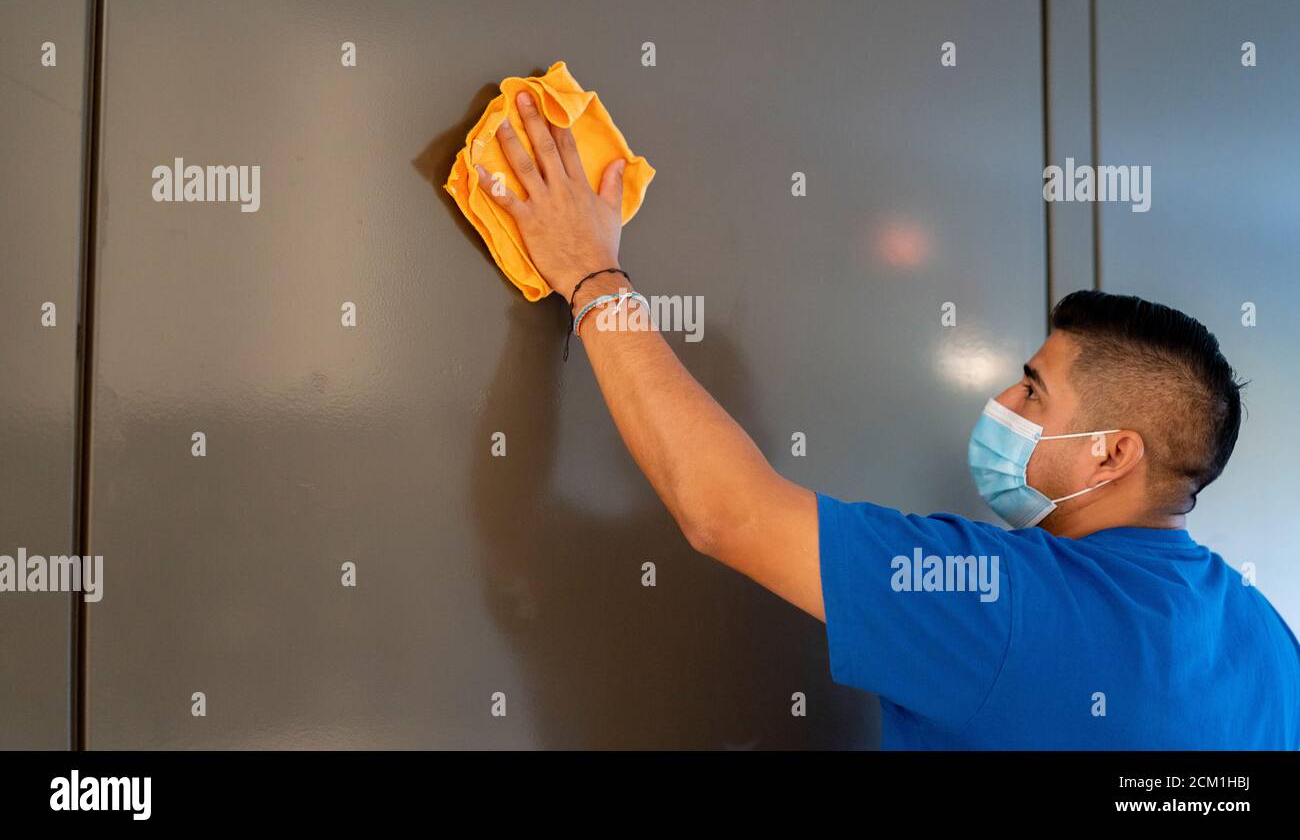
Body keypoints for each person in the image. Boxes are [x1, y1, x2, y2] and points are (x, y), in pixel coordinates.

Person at [471, 88, 1300, 749]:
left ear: (1113, 455)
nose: (1002, 406)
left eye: (1033, 392)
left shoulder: (1002, 600)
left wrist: (589, 273)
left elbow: (725, 511)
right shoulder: (1266, 637)